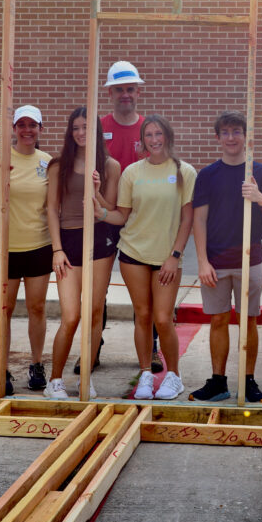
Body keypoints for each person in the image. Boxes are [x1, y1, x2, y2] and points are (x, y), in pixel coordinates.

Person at [95, 114, 196, 400]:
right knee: (142, 316)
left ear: (168, 136)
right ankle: (145, 374)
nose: (154, 140)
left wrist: (174, 256)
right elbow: (122, 215)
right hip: (133, 254)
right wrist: (101, 212)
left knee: (163, 318)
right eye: (148, 135)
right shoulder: (132, 173)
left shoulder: (184, 172)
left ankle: (174, 376)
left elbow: (187, 219)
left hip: (167, 257)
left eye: (158, 134)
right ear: (142, 141)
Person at [73, 60, 163, 376]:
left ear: (138, 91)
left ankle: (151, 349)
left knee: (147, 294)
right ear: (110, 92)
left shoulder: (150, 130)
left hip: (141, 223)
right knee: (97, 292)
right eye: (119, 89)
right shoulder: (96, 125)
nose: (125, 94)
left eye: (130, 88)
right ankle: (92, 347)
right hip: (103, 219)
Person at [189, 111, 262, 403]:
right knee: (218, 320)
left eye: (237, 132)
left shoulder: (260, 172)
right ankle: (218, 382)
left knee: (248, 320)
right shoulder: (207, 175)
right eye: (226, 132)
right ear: (218, 138)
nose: (231, 137)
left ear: (245, 136)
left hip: (249, 258)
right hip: (216, 261)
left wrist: (259, 196)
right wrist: (202, 261)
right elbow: (199, 220)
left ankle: (249, 380)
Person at [0, 105, 52, 396]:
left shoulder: (47, 162)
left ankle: (36, 365)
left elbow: (53, 205)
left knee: (37, 308)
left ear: (40, 129)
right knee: (3, 309)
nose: (27, 130)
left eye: (33, 125)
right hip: (2, 247)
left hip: (39, 245)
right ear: (13, 129)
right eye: (22, 124)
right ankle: (1, 367)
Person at [44, 109, 121, 399]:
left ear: (96, 132)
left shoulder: (111, 166)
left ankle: (85, 378)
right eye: (75, 127)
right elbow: (52, 208)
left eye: (86, 127)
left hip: (100, 241)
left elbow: (110, 210)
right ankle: (55, 381)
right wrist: (57, 249)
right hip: (68, 241)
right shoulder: (58, 165)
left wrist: (97, 189)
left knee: (94, 312)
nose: (80, 132)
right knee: (71, 316)